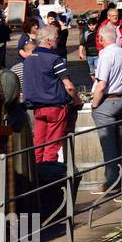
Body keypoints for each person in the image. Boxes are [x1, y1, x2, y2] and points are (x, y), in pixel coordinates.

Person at [21, 24, 82, 180]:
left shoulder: (28, 60)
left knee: (38, 145)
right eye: (56, 37)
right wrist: (76, 100)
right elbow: (68, 86)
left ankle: (34, 179)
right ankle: (48, 182)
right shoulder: (54, 59)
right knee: (52, 147)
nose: (58, 40)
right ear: (48, 41)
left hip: (37, 108)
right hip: (55, 107)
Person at [89, 24, 122, 195]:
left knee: (108, 145)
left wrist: (94, 105)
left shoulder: (105, 55)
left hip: (108, 101)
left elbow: (101, 84)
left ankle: (113, 182)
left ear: (101, 38)